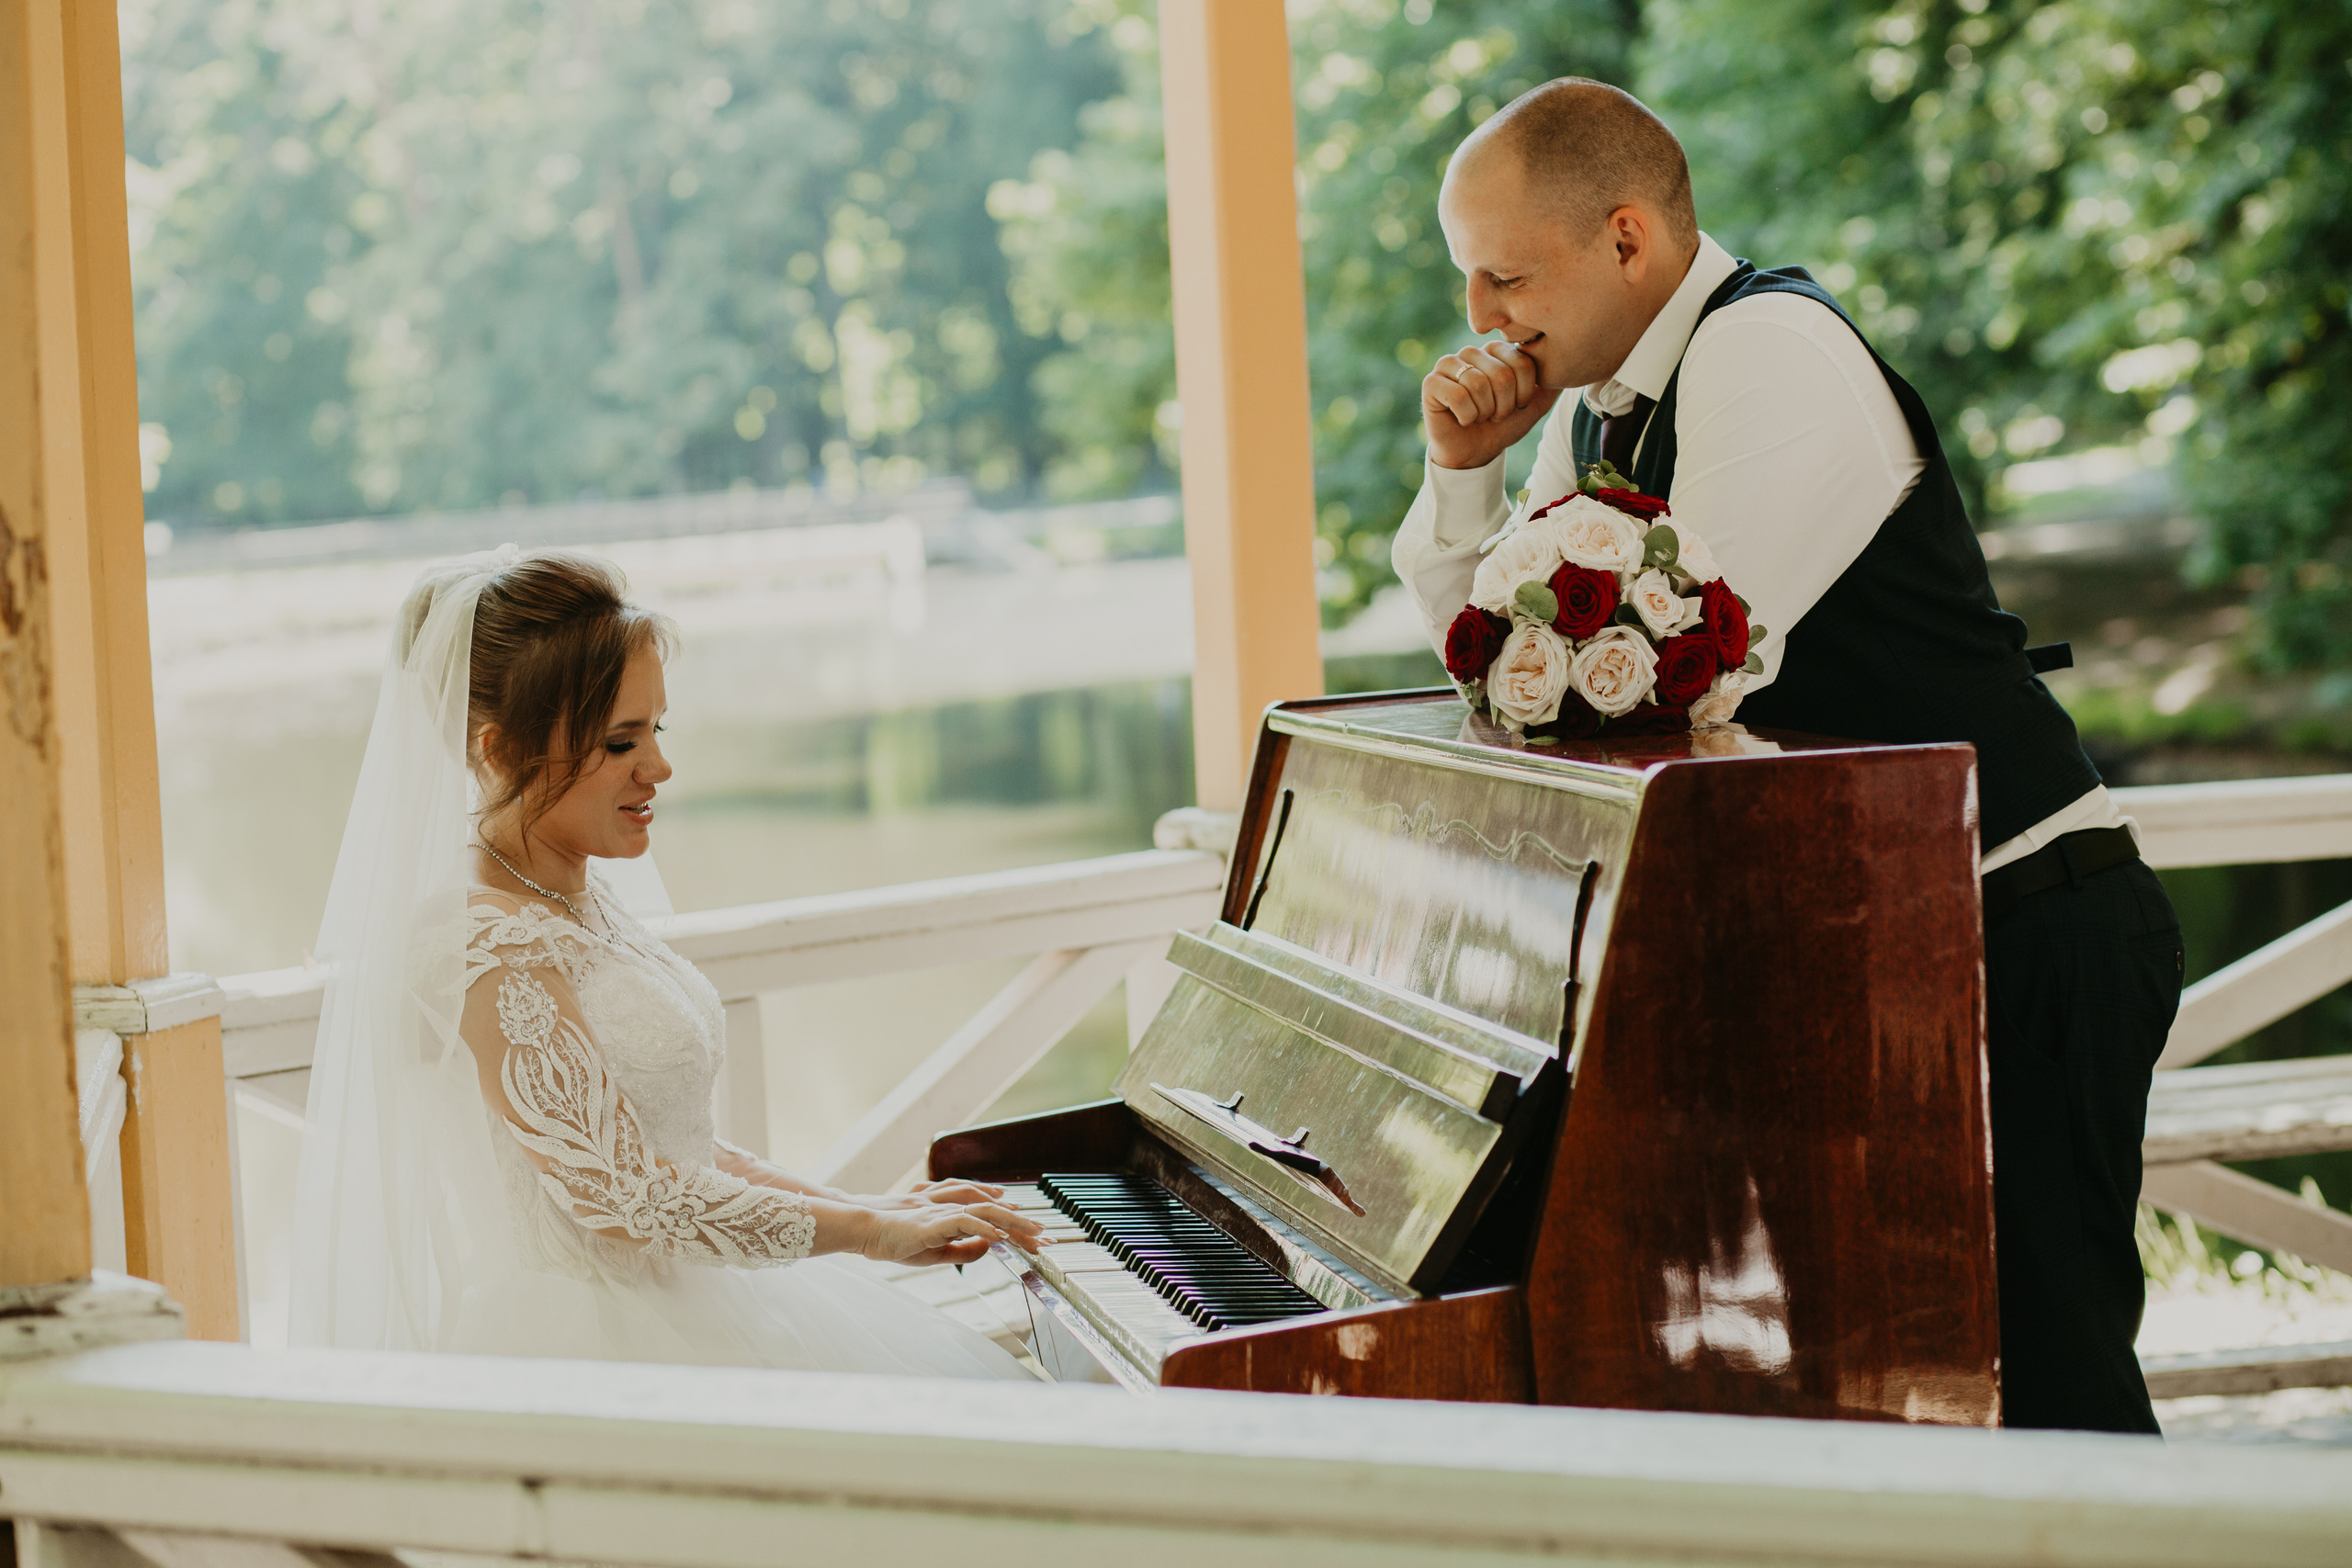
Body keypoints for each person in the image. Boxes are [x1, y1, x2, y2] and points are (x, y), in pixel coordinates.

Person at [1390, 79, 2183, 1434]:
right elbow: (1502, 672)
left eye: (1504, 275)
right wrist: (1463, 469)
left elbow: (1673, 687)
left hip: (2017, 925)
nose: (1481, 316)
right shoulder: (1592, 413)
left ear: (1627, 237)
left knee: (2055, 1397)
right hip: (1873, 962)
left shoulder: (1770, 352)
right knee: (1903, 1401)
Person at [291, 546, 1044, 1375]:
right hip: (603, 1348)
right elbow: (624, 1193)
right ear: (500, 751)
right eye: (620, 742)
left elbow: (678, 1147)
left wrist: (872, 1205)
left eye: (656, 729)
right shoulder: (479, 940)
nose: (659, 766)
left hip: (698, 1296)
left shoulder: (576, 895)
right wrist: (869, 1233)